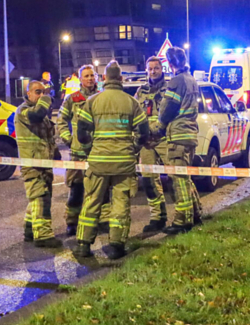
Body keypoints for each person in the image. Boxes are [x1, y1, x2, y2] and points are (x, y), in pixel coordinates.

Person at [73, 61, 149, 260]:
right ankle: (116, 246)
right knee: (120, 203)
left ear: (104, 78)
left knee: (91, 201)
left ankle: (83, 245)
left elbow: (81, 132)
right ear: (121, 78)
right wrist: (134, 149)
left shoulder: (93, 101)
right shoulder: (131, 102)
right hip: (124, 162)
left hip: (98, 161)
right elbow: (143, 131)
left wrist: (90, 149)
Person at [152, 46, 202, 235]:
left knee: (178, 179)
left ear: (170, 63)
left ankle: (183, 220)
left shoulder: (176, 81)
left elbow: (167, 109)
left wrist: (159, 127)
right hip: (189, 134)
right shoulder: (191, 80)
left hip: (178, 136)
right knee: (185, 177)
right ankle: (195, 213)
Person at [57, 64, 109, 235]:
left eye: (92, 75)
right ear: (80, 79)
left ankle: (103, 221)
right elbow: (61, 120)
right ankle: (72, 222)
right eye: (86, 76)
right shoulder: (72, 99)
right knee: (76, 189)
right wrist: (69, 139)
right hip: (78, 154)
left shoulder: (102, 97)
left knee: (101, 189)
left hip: (98, 151)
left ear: (96, 77)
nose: (89, 78)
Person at [15, 79, 62, 248]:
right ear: (28, 93)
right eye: (37, 92)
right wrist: (46, 100)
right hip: (32, 163)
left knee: (38, 196)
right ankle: (43, 235)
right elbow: (37, 114)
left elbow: (48, 136)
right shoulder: (23, 111)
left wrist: (55, 153)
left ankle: (30, 229)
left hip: (43, 161)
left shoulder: (42, 115)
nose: (41, 95)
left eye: (43, 92)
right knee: (40, 197)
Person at [135, 56, 169, 233]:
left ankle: (191, 212)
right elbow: (135, 114)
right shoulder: (141, 91)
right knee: (148, 179)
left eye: (156, 68)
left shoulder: (169, 88)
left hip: (164, 139)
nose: (153, 71)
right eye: (150, 69)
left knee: (179, 176)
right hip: (146, 142)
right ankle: (158, 217)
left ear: (162, 69)